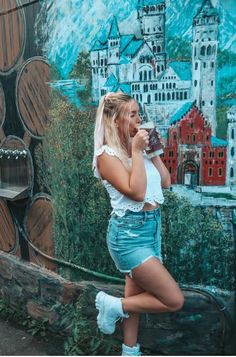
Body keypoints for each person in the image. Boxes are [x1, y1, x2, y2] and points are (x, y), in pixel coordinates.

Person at [92, 92, 184, 356]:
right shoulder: (107, 156)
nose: (138, 119)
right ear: (114, 120)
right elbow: (137, 192)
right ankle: (112, 306)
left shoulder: (137, 148)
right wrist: (135, 150)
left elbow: (166, 182)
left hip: (150, 231)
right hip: (128, 236)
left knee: (135, 299)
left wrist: (153, 152)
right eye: (131, 114)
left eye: (138, 114)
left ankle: (129, 351)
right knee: (173, 300)